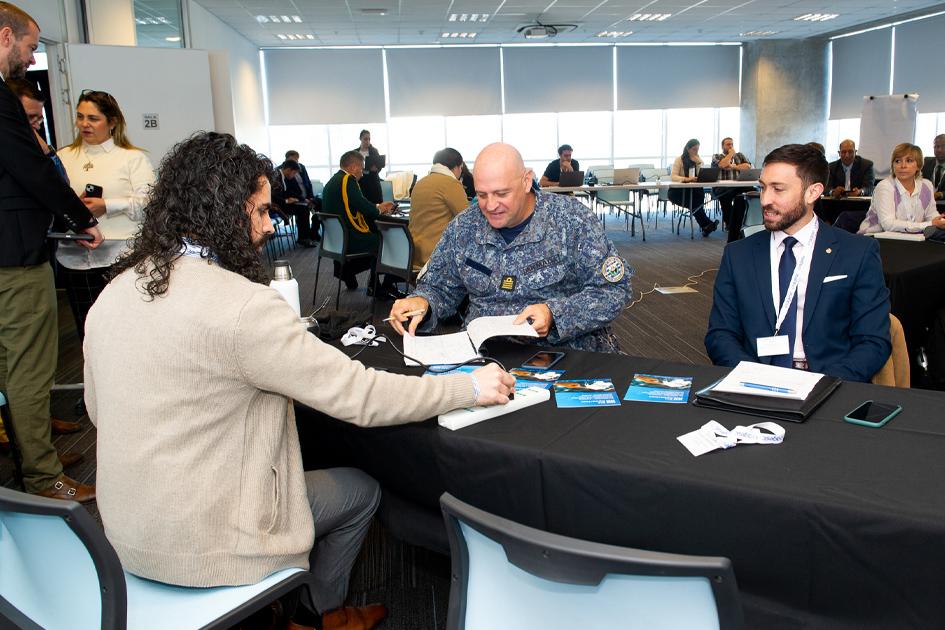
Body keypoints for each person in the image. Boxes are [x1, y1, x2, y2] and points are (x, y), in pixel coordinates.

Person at [83, 131, 515, 630]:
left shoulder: (116, 290)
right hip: (214, 546)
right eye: (261, 211)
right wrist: (468, 387)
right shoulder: (242, 308)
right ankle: (316, 613)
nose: (270, 226)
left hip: (121, 538)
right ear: (226, 213)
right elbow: (361, 396)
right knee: (359, 490)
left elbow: (98, 408)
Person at [388, 142, 632, 353]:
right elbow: (440, 287)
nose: (491, 205)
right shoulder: (464, 227)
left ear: (527, 181)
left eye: (501, 193)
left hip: (563, 352)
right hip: (485, 356)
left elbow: (613, 290)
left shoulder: (572, 220)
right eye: (482, 195)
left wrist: (554, 314)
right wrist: (422, 301)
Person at [0, 1, 102, 502]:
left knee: (12, 365)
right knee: (28, 366)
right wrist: (81, 219)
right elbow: (31, 171)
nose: (32, 56)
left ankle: (34, 452)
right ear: (5, 37)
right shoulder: (0, 99)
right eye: (30, 46)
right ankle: (43, 478)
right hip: (13, 258)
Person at [705, 143, 891, 382]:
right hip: (754, 381)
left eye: (778, 189)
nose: (764, 200)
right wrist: (752, 379)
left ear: (812, 192)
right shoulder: (738, 254)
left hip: (830, 383)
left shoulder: (857, 253)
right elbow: (720, 335)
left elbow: (873, 341)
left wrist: (823, 385)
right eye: (762, 188)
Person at [56, 89, 154, 340]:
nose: (85, 124)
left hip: (120, 255)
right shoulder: (63, 157)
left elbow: (148, 202)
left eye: (93, 118)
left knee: (123, 329)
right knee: (87, 331)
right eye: (80, 117)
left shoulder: (132, 158)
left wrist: (107, 205)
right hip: (74, 256)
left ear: (112, 122)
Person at [320, 150, 396, 292]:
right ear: (353, 167)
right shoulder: (348, 180)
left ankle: (348, 273)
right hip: (349, 238)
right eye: (361, 168)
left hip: (335, 240)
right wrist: (379, 210)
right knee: (385, 240)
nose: (362, 172)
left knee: (376, 237)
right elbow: (362, 206)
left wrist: (378, 206)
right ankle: (376, 286)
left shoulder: (333, 181)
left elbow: (353, 204)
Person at [858, 143, 945, 234]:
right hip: (875, 238)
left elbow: (931, 215)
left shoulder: (926, 186)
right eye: (897, 161)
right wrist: (929, 224)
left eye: (909, 160)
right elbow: (888, 225)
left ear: (918, 165)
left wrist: (940, 221)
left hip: (911, 238)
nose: (903, 166)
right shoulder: (885, 187)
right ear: (893, 165)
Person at [409, 147, 468, 268]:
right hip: (436, 255)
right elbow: (468, 218)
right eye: (461, 168)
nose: (461, 172)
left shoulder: (421, 183)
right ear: (456, 167)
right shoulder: (451, 184)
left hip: (413, 253)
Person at [670, 138, 718, 237]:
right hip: (679, 191)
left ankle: (706, 226)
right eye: (694, 149)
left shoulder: (697, 160)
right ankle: (707, 224)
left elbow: (702, 174)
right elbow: (673, 176)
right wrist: (686, 179)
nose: (696, 152)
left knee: (696, 201)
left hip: (695, 189)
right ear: (688, 149)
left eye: (697, 149)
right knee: (695, 203)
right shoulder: (679, 159)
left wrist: (699, 162)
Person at [711, 137, 753, 242]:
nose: (730, 147)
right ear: (722, 146)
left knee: (750, 192)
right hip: (722, 187)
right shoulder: (717, 156)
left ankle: (745, 221)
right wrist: (730, 155)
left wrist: (733, 167)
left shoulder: (740, 155)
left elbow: (747, 166)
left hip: (738, 186)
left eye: (732, 144)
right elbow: (722, 164)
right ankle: (730, 224)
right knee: (726, 195)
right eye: (728, 144)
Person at [273, 159, 318, 247]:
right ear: (289, 170)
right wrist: (286, 200)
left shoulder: (282, 176)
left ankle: (305, 236)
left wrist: (303, 199)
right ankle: (304, 238)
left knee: (304, 206)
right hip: (277, 205)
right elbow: (272, 196)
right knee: (303, 209)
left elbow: (288, 191)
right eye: (294, 173)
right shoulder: (275, 176)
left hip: (283, 203)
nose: (294, 176)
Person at [920, 134, 945, 199]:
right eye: (936, 146)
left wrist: (940, 194)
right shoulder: (926, 162)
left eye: (943, 146)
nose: (939, 150)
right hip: (925, 203)